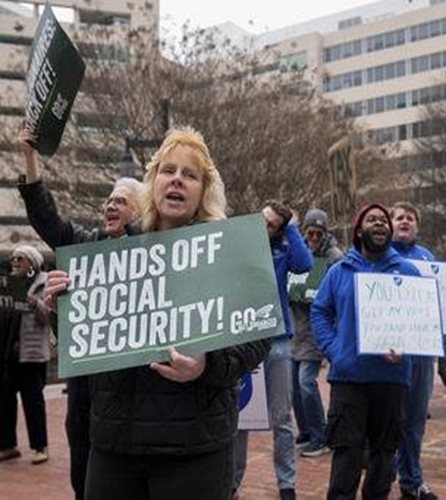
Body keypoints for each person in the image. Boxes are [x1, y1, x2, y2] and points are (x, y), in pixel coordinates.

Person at [43, 127, 271, 500]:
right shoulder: (111, 252)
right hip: (114, 449)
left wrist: (206, 365)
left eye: (190, 174)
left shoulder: (228, 252)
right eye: (168, 171)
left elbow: (258, 336)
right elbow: (92, 340)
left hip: (194, 451)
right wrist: (62, 312)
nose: (177, 180)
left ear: (203, 192)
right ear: (153, 183)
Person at [17, 127, 143, 500]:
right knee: (82, 479)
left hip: (131, 395)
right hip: (87, 391)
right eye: (108, 200)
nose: (109, 206)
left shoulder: (153, 255)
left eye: (121, 200)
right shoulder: (87, 246)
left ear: (139, 211)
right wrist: (29, 157)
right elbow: (46, 219)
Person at [311, 203, 419, 500]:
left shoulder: (407, 272)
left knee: (384, 459)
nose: (380, 224)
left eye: (384, 220)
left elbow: (422, 321)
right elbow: (320, 312)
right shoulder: (339, 271)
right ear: (359, 230)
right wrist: (335, 351)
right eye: (372, 220)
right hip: (349, 379)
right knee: (346, 457)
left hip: (391, 379)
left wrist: (406, 348)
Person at [233, 200, 313, 500]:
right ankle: (233, 483)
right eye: (261, 219)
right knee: (242, 415)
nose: (262, 226)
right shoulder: (242, 244)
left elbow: (304, 265)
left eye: (270, 224)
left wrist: (292, 229)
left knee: (281, 416)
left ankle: (287, 484)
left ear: (278, 229)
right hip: (244, 334)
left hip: (277, 338)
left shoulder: (283, 247)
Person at [390, 202, 437, 500]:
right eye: (399, 217)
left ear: (416, 227)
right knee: (392, 420)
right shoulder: (382, 256)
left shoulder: (428, 259)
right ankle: (385, 477)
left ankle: (412, 480)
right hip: (390, 353)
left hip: (421, 354)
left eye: (410, 218)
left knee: (416, 420)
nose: (405, 221)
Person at [290, 208, 342, 458]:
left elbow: (338, 292)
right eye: (309, 232)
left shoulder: (334, 257)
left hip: (316, 330)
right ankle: (308, 430)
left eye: (318, 232)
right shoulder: (301, 251)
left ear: (325, 232)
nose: (313, 237)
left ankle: (321, 435)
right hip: (296, 329)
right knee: (294, 386)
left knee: (306, 382)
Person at [0, 245, 51, 464]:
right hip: (8, 353)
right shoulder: (8, 284)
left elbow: (49, 317)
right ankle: (7, 445)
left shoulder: (44, 282)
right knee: (4, 401)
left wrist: (34, 303)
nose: (15, 263)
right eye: (13, 259)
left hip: (31, 354)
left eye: (20, 259)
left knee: (33, 402)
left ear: (32, 263)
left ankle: (40, 447)